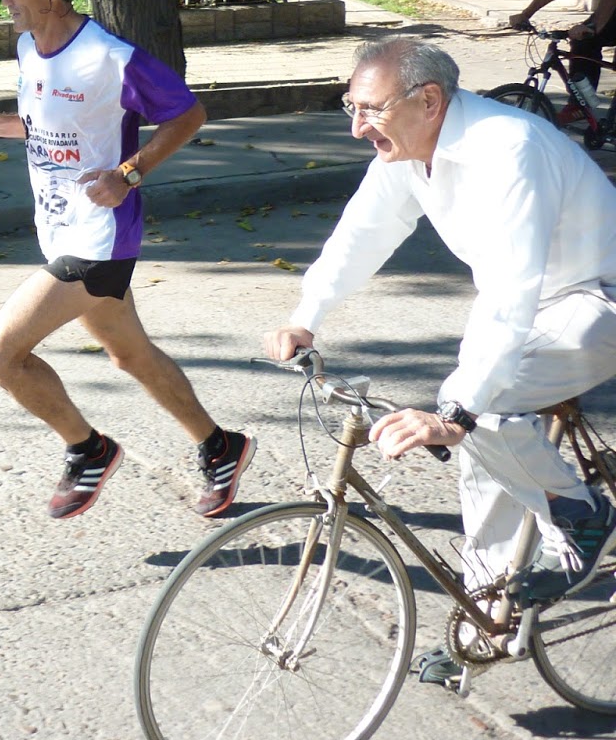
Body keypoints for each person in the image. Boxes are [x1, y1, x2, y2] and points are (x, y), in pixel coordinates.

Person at [262, 38, 616, 678]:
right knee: (478, 436)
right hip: (536, 306)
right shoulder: (407, 150)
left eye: (370, 109)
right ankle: (487, 619)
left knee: (476, 403)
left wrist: (458, 410)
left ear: (428, 100)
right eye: (350, 106)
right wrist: (306, 316)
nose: (356, 127)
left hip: (595, 295)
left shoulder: (509, 148)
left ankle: (581, 512)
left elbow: (510, 288)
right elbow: (363, 231)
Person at [0, 0, 254, 521]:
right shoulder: (27, 47)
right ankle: (221, 447)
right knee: (130, 355)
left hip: (100, 239)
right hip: (58, 229)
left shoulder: (110, 57)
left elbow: (188, 114)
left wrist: (129, 173)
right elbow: (48, 125)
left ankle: (88, 449)